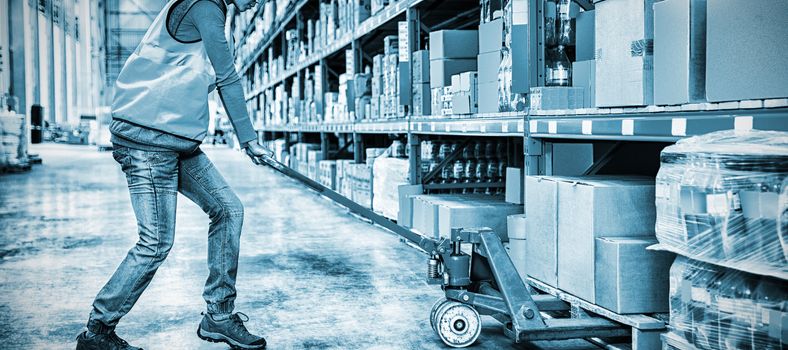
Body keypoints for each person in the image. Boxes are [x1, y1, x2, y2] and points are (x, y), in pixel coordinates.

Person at [75, 0, 270, 349]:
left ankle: (219, 316)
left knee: (229, 210)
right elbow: (226, 77)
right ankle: (98, 332)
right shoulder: (205, 8)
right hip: (146, 140)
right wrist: (249, 139)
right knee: (155, 243)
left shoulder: (220, 13)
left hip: (175, 139)